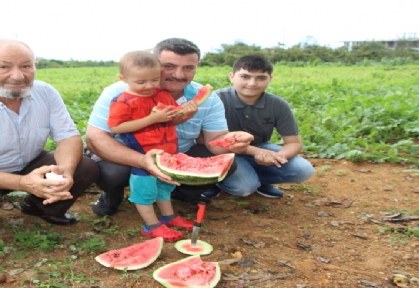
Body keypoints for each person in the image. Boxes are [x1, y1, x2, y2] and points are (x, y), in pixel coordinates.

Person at [0, 39, 99, 238]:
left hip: (29, 161)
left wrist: (65, 173)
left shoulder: (46, 93)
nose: (18, 75)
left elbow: (67, 137)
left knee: (85, 167)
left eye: (25, 66)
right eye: (4, 66)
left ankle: (38, 206)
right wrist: (24, 183)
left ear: (34, 66)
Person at [86, 38, 254, 216]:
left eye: (188, 68)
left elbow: (215, 141)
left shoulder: (209, 98)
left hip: (175, 152)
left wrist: (232, 140)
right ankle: (112, 194)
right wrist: (141, 160)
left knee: (227, 163)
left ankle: (179, 193)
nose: (179, 75)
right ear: (155, 64)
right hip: (131, 153)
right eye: (169, 66)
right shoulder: (120, 93)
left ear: (197, 66)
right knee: (114, 173)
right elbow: (95, 138)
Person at [107, 51, 196, 241]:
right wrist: (152, 118)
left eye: (155, 80)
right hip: (143, 158)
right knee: (144, 192)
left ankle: (168, 217)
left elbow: (171, 120)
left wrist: (186, 114)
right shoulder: (122, 101)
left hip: (167, 154)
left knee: (164, 188)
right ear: (123, 78)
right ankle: (151, 226)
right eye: (141, 82)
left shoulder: (162, 94)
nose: (149, 86)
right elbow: (116, 127)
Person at [204, 55, 315, 199]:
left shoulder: (278, 105)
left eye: (261, 78)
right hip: (220, 151)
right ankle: (213, 182)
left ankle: (260, 181)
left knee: (303, 170)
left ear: (270, 79)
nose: (252, 83)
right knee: (243, 188)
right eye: (245, 76)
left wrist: (276, 157)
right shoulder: (216, 99)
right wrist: (256, 152)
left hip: (261, 146)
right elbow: (204, 139)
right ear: (232, 77)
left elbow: (294, 142)